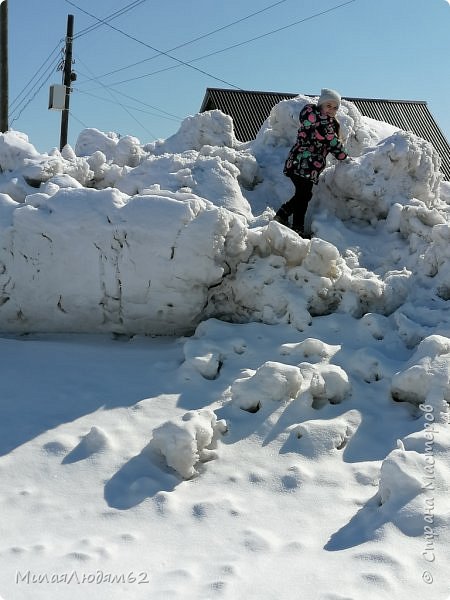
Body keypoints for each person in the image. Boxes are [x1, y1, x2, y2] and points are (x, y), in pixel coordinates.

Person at [274, 88, 349, 237]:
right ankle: (294, 225)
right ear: (320, 105)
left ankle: (285, 216)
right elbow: (334, 145)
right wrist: (345, 157)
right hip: (307, 166)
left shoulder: (310, 117)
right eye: (329, 105)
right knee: (303, 196)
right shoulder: (325, 125)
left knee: (304, 195)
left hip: (296, 162)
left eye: (335, 108)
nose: (332, 110)